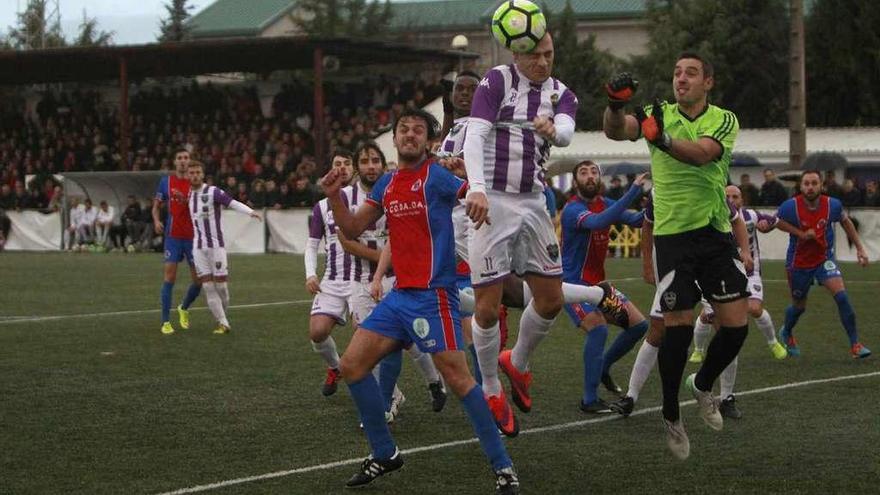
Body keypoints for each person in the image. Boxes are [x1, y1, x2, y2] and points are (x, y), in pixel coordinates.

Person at [322, 108, 519, 493]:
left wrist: (476, 195)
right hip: (399, 299)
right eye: (403, 130)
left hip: (434, 297)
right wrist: (333, 196)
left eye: (417, 131)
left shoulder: (439, 176)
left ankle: (503, 466)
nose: (409, 135)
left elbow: (470, 194)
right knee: (352, 366)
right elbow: (351, 227)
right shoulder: (388, 184)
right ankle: (385, 453)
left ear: (427, 142)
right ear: (394, 140)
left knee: (459, 380)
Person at [603, 52, 750, 459]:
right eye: (676, 73)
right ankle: (671, 414)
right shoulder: (656, 113)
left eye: (691, 73)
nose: (681, 79)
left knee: (736, 328)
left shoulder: (723, 119)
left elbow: (702, 153)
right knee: (678, 331)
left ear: (708, 83)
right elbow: (617, 131)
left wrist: (661, 139)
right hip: (673, 237)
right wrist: (615, 104)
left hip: (714, 233)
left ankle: (702, 385)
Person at [462, 32, 576, 434]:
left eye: (549, 54)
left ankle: (518, 362)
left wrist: (552, 130)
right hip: (492, 199)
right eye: (535, 56)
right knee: (488, 308)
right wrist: (476, 187)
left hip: (533, 202)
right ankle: (491, 386)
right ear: (516, 53)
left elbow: (565, 131)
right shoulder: (496, 81)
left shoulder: (562, 93)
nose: (543, 63)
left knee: (551, 300)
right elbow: (474, 135)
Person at [610, 193, 752, 424]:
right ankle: (631, 396)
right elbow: (647, 224)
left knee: (726, 328)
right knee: (657, 330)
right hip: (678, 266)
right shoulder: (663, 189)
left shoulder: (706, 185)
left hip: (713, 266)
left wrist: (745, 251)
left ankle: (726, 397)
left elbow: (735, 218)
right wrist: (647, 264)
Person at [340, 141, 447, 417]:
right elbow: (346, 240)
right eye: (364, 161)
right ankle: (389, 400)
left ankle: (433, 381)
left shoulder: (394, 185)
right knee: (372, 347)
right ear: (356, 166)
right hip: (359, 280)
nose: (371, 166)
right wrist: (384, 260)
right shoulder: (345, 197)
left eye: (375, 160)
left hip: (397, 279)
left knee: (409, 340)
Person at [688, 185, 789, 419]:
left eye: (735, 196)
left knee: (737, 326)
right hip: (713, 273)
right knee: (718, 327)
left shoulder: (748, 216)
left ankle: (726, 396)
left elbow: (773, 220)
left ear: (742, 199)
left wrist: (768, 227)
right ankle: (701, 363)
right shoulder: (709, 213)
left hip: (744, 272)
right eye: (728, 196)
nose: (731, 200)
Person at [560, 161, 649, 413]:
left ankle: (603, 368)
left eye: (593, 172)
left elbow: (635, 220)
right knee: (598, 329)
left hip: (598, 287)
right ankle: (589, 400)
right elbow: (599, 222)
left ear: (599, 179)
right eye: (583, 173)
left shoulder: (605, 203)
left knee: (639, 325)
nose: (589, 177)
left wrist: (656, 200)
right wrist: (632, 191)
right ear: (575, 182)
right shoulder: (572, 209)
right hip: (571, 287)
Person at [775, 170, 871, 359]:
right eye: (806, 184)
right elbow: (777, 222)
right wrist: (800, 234)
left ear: (821, 186)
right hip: (799, 263)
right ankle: (786, 331)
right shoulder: (790, 206)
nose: (810, 187)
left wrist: (860, 248)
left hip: (824, 259)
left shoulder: (832, 205)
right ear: (800, 186)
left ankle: (855, 345)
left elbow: (846, 222)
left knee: (842, 296)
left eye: (814, 183)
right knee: (799, 306)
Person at [186, 160, 262, 334]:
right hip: (198, 248)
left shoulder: (212, 192)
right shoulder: (188, 194)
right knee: (207, 286)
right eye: (192, 173)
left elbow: (232, 202)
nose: (195, 175)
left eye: (198, 172)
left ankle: (223, 314)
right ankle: (223, 322)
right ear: (188, 175)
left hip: (216, 247)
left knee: (221, 287)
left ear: (202, 174)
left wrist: (250, 212)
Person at [305, 150, 357, 396]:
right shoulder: (322, 206)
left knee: (367, 341)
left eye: (348, 163)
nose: (343, 168)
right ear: (331, 169)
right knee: (317, 332)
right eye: (338, 164)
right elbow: (312, 244)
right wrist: (310, 274)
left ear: (354, 169)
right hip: (333, 280)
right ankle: (336, 367)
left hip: (362, 279)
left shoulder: (367, 199)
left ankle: (387, 393)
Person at [153, 148, 202, 335]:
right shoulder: (166, 182)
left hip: (193, 238)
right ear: (175, 162)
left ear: (190, 161)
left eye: (186, 158)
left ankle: (184, 307)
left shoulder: (195, 184)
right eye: (179, 158)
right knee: (169, 278)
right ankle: (165, 322)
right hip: (173, 237)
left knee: (198, 281)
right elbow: (156, 206)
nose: (183, 161)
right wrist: (156, 220)